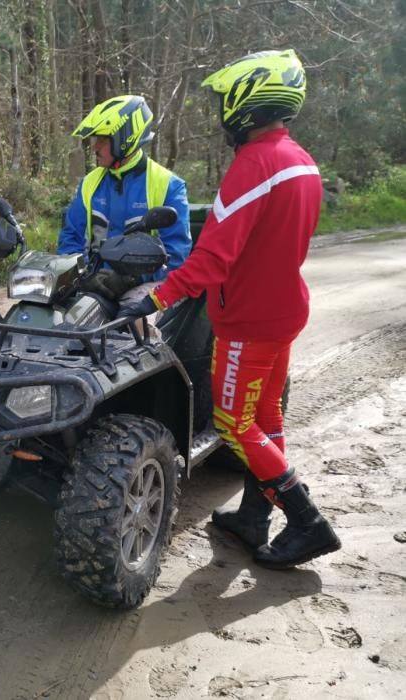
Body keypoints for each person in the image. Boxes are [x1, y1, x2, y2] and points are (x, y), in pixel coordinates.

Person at [119, 49, 341, 569]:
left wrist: (154, 298)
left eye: (225, 101)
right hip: (284, 311)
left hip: (247, 321)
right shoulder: (302, 161)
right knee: (266, 415)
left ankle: (306, 520)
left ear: (248, 102)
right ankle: (254, 516)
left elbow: (213, 258)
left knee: (232, 420)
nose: (222, 112)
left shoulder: (254, 165)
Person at [58, 95, 192, 308]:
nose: (95, 147)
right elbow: (70, 238)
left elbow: (176, 254)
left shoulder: (168, 184)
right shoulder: (89, 183)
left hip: (150, 284)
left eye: (101, 139)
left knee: (135, 318)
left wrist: (132, 278)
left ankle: (153, 342)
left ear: (125, 137)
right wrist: (82, 275)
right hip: (96, 281)